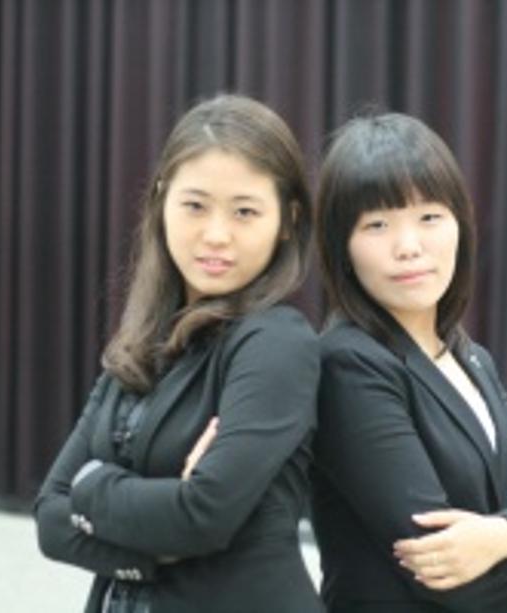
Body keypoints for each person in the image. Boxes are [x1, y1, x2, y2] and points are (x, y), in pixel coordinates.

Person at [34, 94, 324, 613]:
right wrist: (156, 549)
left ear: (287, 219)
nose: (216, 235)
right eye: (195, 205)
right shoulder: (144, 339)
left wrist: (93, 486)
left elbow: (201, 516)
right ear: (161, 201)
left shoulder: (277, 342)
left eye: (245, 211)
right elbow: (50, 521)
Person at [310, 112, 507, 613]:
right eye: (377, 225)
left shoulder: (471, 358)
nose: (409, 247)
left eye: (429, 217)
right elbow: (431, 562)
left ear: (460, 226)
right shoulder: (348, 363)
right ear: (341, 247)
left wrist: (499, 536)